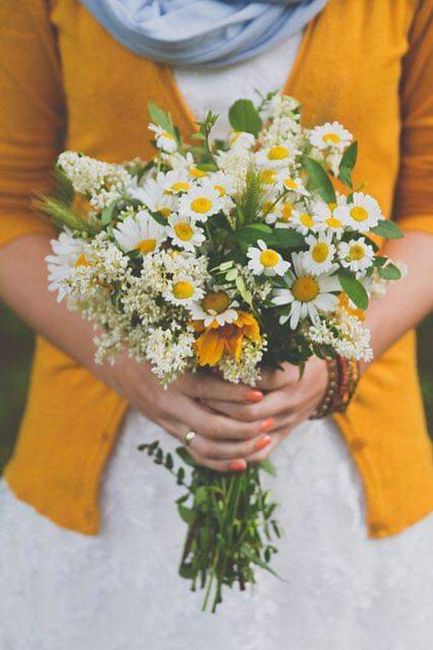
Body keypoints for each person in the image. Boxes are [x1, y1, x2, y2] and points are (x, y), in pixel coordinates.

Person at [0, 1, 433, 648]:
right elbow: (12, 205)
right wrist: (125, 365)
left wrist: (332, 360)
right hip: (102, 472)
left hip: (346, 479)